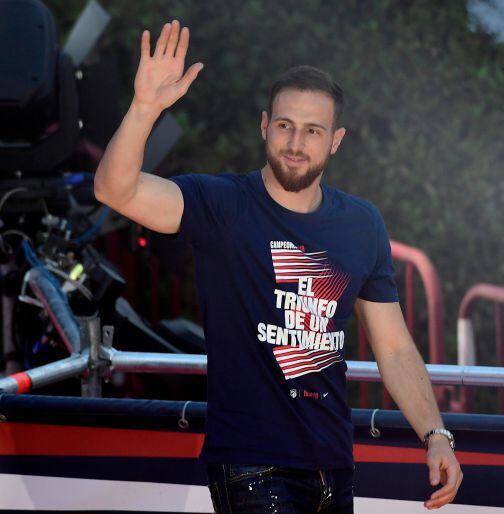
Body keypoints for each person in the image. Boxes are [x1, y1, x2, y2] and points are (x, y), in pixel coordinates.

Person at [94, 20, 463, 513]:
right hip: (250, 468)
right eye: (286, 125)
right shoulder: (221, 205)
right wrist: (144, 109)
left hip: (334, 466)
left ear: (335, 140)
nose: (296, 142)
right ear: (265, 125)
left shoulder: (361, 223)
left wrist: (436, 435)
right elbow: (115, 190)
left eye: (313, 131)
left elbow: (394, 348)